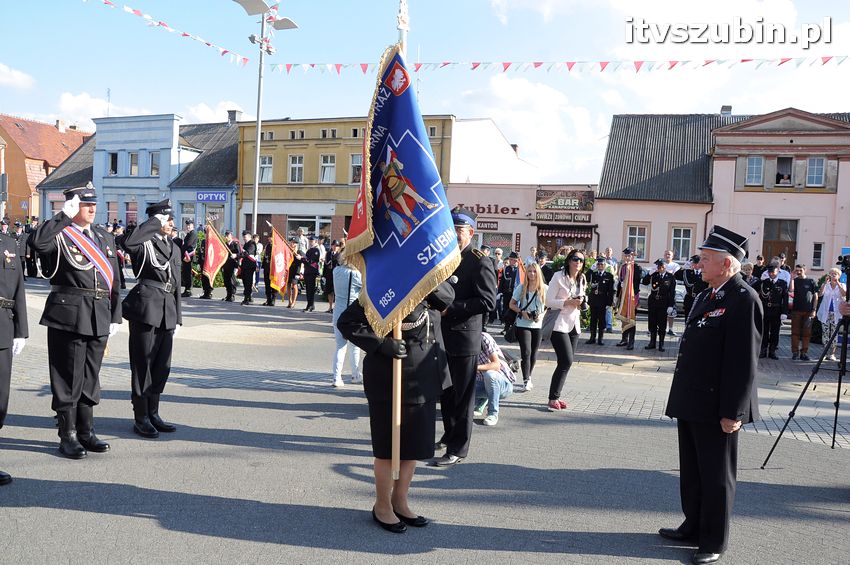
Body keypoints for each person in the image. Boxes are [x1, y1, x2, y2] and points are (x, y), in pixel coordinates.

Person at [660, 225, 762, 565]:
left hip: (719, 404)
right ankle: (693, 525)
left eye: (705, 259)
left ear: (727, 264)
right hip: (692, 400)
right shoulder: (708, 295)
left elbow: (742, 361)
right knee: (692, 470)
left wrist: (734, 412)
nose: (698, 265)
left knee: (717, 476)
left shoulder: (743, 298)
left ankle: (713, 539)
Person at [337, 281, 454, 533]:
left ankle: (400, 501)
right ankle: (382, 506)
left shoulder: (429, 284)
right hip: (390, 379)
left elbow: (447, 298)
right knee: (388, 448)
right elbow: (347, 322)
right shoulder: (383, 287)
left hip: (424, 377)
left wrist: (426, 280)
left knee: (413, 447)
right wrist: (380, 344)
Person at [30, 183, 121, 459]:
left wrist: (115, 314)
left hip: (98, 314)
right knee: (68, 376)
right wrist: (62, 216)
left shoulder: (104, 237)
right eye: (85, 204)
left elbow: (115, 280)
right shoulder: (60, 234)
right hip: (68, 314)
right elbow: (37, 243)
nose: (92, 208)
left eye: (94, 203)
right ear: (73, 206)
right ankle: (67, 435)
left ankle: (85, 431)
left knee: (91, 376)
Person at [435, 207, 498, 467]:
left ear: (470, 232)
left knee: (463, 395)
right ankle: (449, 434)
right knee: (447, 392)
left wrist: (454, 309)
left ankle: (458, 449)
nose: (454, 235)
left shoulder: (479, 260)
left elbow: (488, 301)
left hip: (464, 336)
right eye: (451, 230)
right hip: (442, 335)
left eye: (459, 231)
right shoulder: (444, 257)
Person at [120, 199, 182, 438]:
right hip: (146, 309)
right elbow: (128, 242)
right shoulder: (144, 242)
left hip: (167, 311)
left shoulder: (174, 247)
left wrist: (178, 317)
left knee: (161, 366)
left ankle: (154, 413)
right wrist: (153, 223)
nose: (170, 223)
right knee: (142, 365)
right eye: (165, 219)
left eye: (169, 219)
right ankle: (141, 416)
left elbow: (176, 284)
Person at [0, 228, 29, 485]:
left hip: (3, 327)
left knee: (0, 399)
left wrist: (21, 330)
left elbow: (19, 287)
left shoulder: (9, 243)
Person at [544, 248, 586, 412]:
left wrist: (582, 302)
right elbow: (549, 301)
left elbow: (581, 299)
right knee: (566, 360)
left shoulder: (581, 279)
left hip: (574, 324)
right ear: (569, 260)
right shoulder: (558, 276)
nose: (578, 262)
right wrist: (567, 302)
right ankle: (552, 398)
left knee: (565, 363)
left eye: (581, 260)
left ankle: (556, 396)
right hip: (558, 323)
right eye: (575, 259)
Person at [509, 262, 547, 391]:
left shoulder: (544, 289)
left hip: (538, 324)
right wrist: (521, 312)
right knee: (526, 352)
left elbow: (549, 306)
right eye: (529, 271)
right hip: (523, 324)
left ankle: (529, 376)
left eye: (534, 271)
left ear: (538, 273)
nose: (532, 274)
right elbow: (511, 304)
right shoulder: (521, 287)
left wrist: (542, 314)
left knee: (534, 353)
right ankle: (526, 380)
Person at [331, 249, 362, 387]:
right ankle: (355, 374)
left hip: (338, 312)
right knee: (355, 347)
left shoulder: (336, 271)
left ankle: (336, 377)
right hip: (352, 314)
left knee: (340, 346)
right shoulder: (356, 275)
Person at [473, 331, 516, 426]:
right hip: (480, 383)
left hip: (502, 384)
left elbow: (496, 365)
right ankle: (481, 401)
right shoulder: (457, 340)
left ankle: (493, 413)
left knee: (490, 375)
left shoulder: (483, 337)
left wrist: (474, 367)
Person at [643, 259, 677, 352]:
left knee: (662, 324)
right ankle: (652, 342)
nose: (660, 269)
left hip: (663, 303)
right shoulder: (654, 275)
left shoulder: (670, 277)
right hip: (653, 302)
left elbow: (672, 292)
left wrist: (671, 305)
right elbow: (644, 282)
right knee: (652, 323)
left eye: (662, 267)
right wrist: (649, 273)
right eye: (658, 267)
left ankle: (661, 343)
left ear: (665, 267)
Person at [755, 263, 788, 360]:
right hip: (765, 310)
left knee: (775, 331)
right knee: (764, 331)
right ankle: (763, 349)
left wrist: (784, 312)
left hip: (776, 310)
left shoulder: (782, 283)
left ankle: (772, 351)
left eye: (773, 272)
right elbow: (752, 288)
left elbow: (785, 299)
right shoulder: (764, 282)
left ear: (777, 271)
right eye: (769, 272)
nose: (771, 274)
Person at [788, 264, 818, 361]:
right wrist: (792, 278)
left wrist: (814, 309)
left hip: (808, 311)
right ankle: (795, 352)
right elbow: (791, 290)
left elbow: (816, 296)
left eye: (800, 270)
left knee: (806, 333)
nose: (798, 272)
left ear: (805, 270)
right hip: (796, 310)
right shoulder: (795, 281)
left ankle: (804, 353)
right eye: (797, 270)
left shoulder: (811, 281)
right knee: (795, 333)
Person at [615, 247, 643, 350]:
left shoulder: (637, 267)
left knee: (631, 319)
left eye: (629, 255)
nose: (627, 257)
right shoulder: (622, 267)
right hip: (623, 296)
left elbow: (637, 283)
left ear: (633, 256)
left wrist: (628, 287)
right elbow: (620, 282)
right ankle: (624, 339)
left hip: (632, 297)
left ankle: (631, 342)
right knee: (623, 318)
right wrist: (618, 295)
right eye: (626, 256)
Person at [817, 268, 847, 361]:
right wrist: (825, 284)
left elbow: (844, 295)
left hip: (836, 313)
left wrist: (838, 283)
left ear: (839, 276)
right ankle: (824, 353)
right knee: (825, 333)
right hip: (825, 312)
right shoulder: (826, 285)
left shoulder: (842, 285)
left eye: (835, 274)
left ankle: (832, 354)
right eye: (832, 274)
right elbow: (820, 294)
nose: (833, 275)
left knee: (834, 333)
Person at [586, 256, 615, 345]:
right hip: (594, 300)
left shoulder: (609, 276)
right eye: (598, 264)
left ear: (605, 265)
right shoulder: (594, 274)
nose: (600, 266)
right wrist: (591, 269)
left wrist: (609, 303)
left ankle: (600, 338)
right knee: (593, 320)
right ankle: (592, 337)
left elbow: (611, 291)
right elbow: (586, 278)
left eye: (602, 264)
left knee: (601, 321)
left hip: (603, 301)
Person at [677, 255, 709, 320]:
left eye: (697, 263)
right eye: (694, 263)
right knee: (688, 318)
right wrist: (683, 268)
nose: (695, 265)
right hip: (690, 298)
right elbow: (676, 276)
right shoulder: (687, 272)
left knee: (699, 319)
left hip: (701, 298)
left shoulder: (705, 272)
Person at [498, 252, 521, 331]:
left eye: (514, 260)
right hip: (507, 293)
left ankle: (514, 328)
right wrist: (499, 292)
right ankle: (506, 327)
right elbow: (502, 282)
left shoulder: (520, 270)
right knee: (506, 310)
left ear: (517, 260)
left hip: (516, 294)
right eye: (510, 259)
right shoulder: (506, 269)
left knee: (514, 310)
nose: (512, 261)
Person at [301, 235, 321, 312]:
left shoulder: (316, 250)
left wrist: (302, 259)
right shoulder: (309, 250)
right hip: (307, 271)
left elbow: (311, 261)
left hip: (312, 271)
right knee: (308, 289)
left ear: (315, 241)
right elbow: (306, 261)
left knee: (311, 289)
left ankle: (311, 305)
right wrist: (301, 258)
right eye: (309, 241)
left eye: (311, 241)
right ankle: (309, 304)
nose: (310, 242)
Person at [663, 250, 681, 336]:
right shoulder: (661, 264)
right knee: (662, 311)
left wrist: (669, 273)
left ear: (672, 256)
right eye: (666, 254)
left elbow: (675, 274)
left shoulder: (675, 265)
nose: (667, 256)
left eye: (669, 254)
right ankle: (662, 328)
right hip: (662, 291)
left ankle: (670, 328)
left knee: (671, 311)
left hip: (671, 291)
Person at [239, 230, 258, 305]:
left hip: (250, 266)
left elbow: (247, 253)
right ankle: (249, 297)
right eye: (243, 236)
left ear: (249, 236)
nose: (244, 238)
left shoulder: (252, 244)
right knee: (245, 282)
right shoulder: (246, 244)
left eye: (245, 236)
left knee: (248, 283)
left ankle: (246, 298)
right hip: (245, 266)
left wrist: (237, 255)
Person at [180, 220, 197, 297]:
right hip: (186, 256)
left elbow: (188, 244)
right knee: (186, 273)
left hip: (189, 256)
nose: (188, 226)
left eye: (189, 225)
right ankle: (187, 289)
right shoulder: (188, 234)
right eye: (187, 225)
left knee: (188, 274)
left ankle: (188, 290)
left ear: (193, 225)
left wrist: (181, 249)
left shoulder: (193, 234)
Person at [221, 230, 239, 302]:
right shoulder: (225, 244)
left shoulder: (235, 244)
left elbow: (239, 255)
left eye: (227, 236)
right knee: (226, 281)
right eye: (225, 236)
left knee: (232, 281)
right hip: (226, 265)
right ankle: (228, 295)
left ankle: (232, 295)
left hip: (232, 265)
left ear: (231, 236)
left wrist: (236, 267)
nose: (226, 237)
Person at [324, 240, 341, 314]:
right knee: (329, 291)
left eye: (336, 246)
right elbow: (325, 264)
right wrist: (323, 275)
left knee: (336, 291)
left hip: (336, 275)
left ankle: (335, 307)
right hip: (329, 274)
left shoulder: (339, 255)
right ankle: (330, 307)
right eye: (333, 245)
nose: (334, 247)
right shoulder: (328, 254)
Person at [261, 237, 277, 306]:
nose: (269, 239)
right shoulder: (267, 245)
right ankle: (268, 299)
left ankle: (273, 299)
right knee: (267, 284)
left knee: (273, 285)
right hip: (267, 267)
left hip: (273, 269)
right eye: (269, 238)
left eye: (270, 238)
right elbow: (265, 256)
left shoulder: (276, 246)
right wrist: (263, 266)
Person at [286, 237, 302, 308]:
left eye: (294, 242)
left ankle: (294, 301)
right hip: (289, 270)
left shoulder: (299, 252)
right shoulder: (288, 251)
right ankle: (289, 301)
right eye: (291, 242)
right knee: (288, 285)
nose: (292, 243)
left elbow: (303, 261)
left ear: (297, 244)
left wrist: (299, 273)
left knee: (294, 285)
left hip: (296, 271)